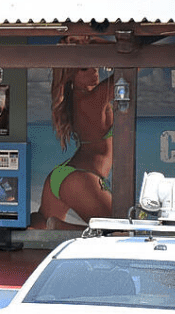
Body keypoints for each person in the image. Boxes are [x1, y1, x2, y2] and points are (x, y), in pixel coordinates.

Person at [31, 35, 115, 230]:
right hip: (82, 177)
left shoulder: (74, 100)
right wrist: (97, 42)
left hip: (62, 175)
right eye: (84, 68)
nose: (94, 69)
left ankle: (53, 225)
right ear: (71, 75)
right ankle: (61, 226)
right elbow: (131, 65)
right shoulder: (94, 98)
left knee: (41, 226)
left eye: (93, 63)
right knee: (116, 232)